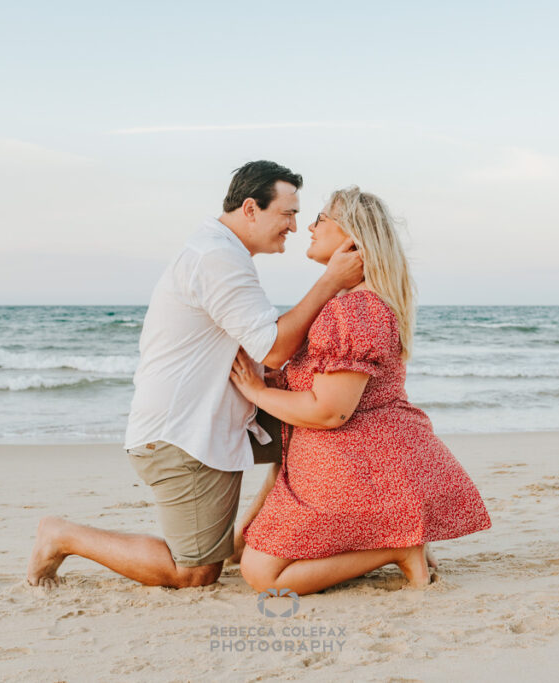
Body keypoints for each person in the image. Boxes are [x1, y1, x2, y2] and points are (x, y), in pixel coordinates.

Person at [26, 161, 364, 588]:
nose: (295, 227)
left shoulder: (224, 252)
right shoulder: (217, 258)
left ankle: (260, 535)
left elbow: (256, 347)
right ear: (250, 209)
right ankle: (61, 535)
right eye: (287, 213)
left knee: (308, 427)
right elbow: (275, 347)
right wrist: (331, 280)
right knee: (195, 573)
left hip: (215, 419)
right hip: (180, 434)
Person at [229, 186, 492, 596]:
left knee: (261, 574)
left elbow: (330, 412)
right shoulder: (353, 301)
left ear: (352, 237)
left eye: (321, 220)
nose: (309, 227)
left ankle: (397, 550)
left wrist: (255, 391)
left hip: (358, 470)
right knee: (247, 548)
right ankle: (397, 541)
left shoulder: (353, 309)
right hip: (358, 464)